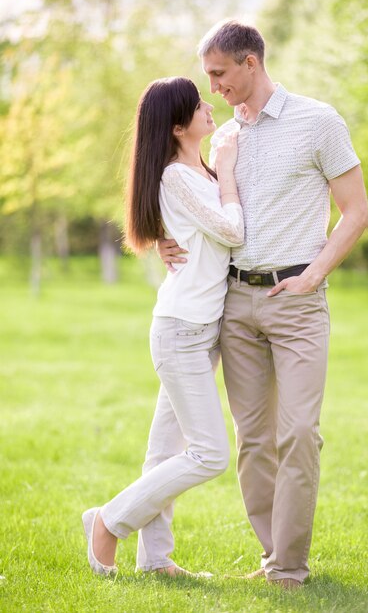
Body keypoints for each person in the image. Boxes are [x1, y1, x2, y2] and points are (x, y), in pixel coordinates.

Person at [157, 20, 368, 590]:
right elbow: (191, 206)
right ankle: (277, 559)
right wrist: (161, 237)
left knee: (298, 432)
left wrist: (313, 276)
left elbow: (356, 211)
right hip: (234, 304)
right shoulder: (222, 139)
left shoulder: (318, 121)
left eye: (220, 73)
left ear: (251, 62)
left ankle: (290, 569)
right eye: (209, 77)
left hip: (296, 302)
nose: (214, 86)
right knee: (252, 439)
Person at [82, 76, 244, 577]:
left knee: (163, 452)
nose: (209, 105)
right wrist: (231, 172)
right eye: (198, 104)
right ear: (177, 126)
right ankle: (109, 520)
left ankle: (155, 560)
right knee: (211, 454)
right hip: (182, 333)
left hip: (200, 332)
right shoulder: (178, 176)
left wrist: (222, 170)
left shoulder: (199, 170)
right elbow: (233, 230)